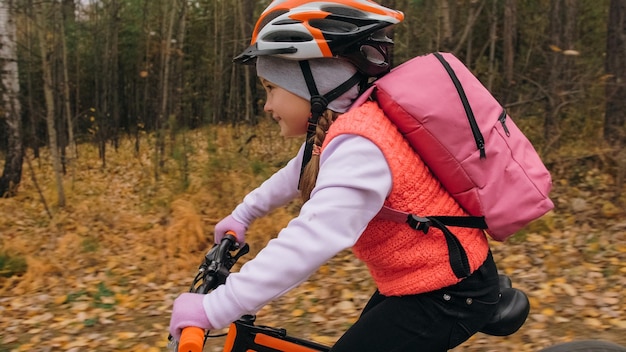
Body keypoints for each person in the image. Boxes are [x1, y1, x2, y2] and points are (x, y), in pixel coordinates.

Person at [169, 1, 500, 351]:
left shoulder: (362, 145)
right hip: (420, 281)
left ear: (315, 82)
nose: (266, 106)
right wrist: (245, 212)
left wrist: (219, 306)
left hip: (449, 291)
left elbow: (314, 237)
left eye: (271, 88)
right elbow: (296, 172)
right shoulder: (343, 129)